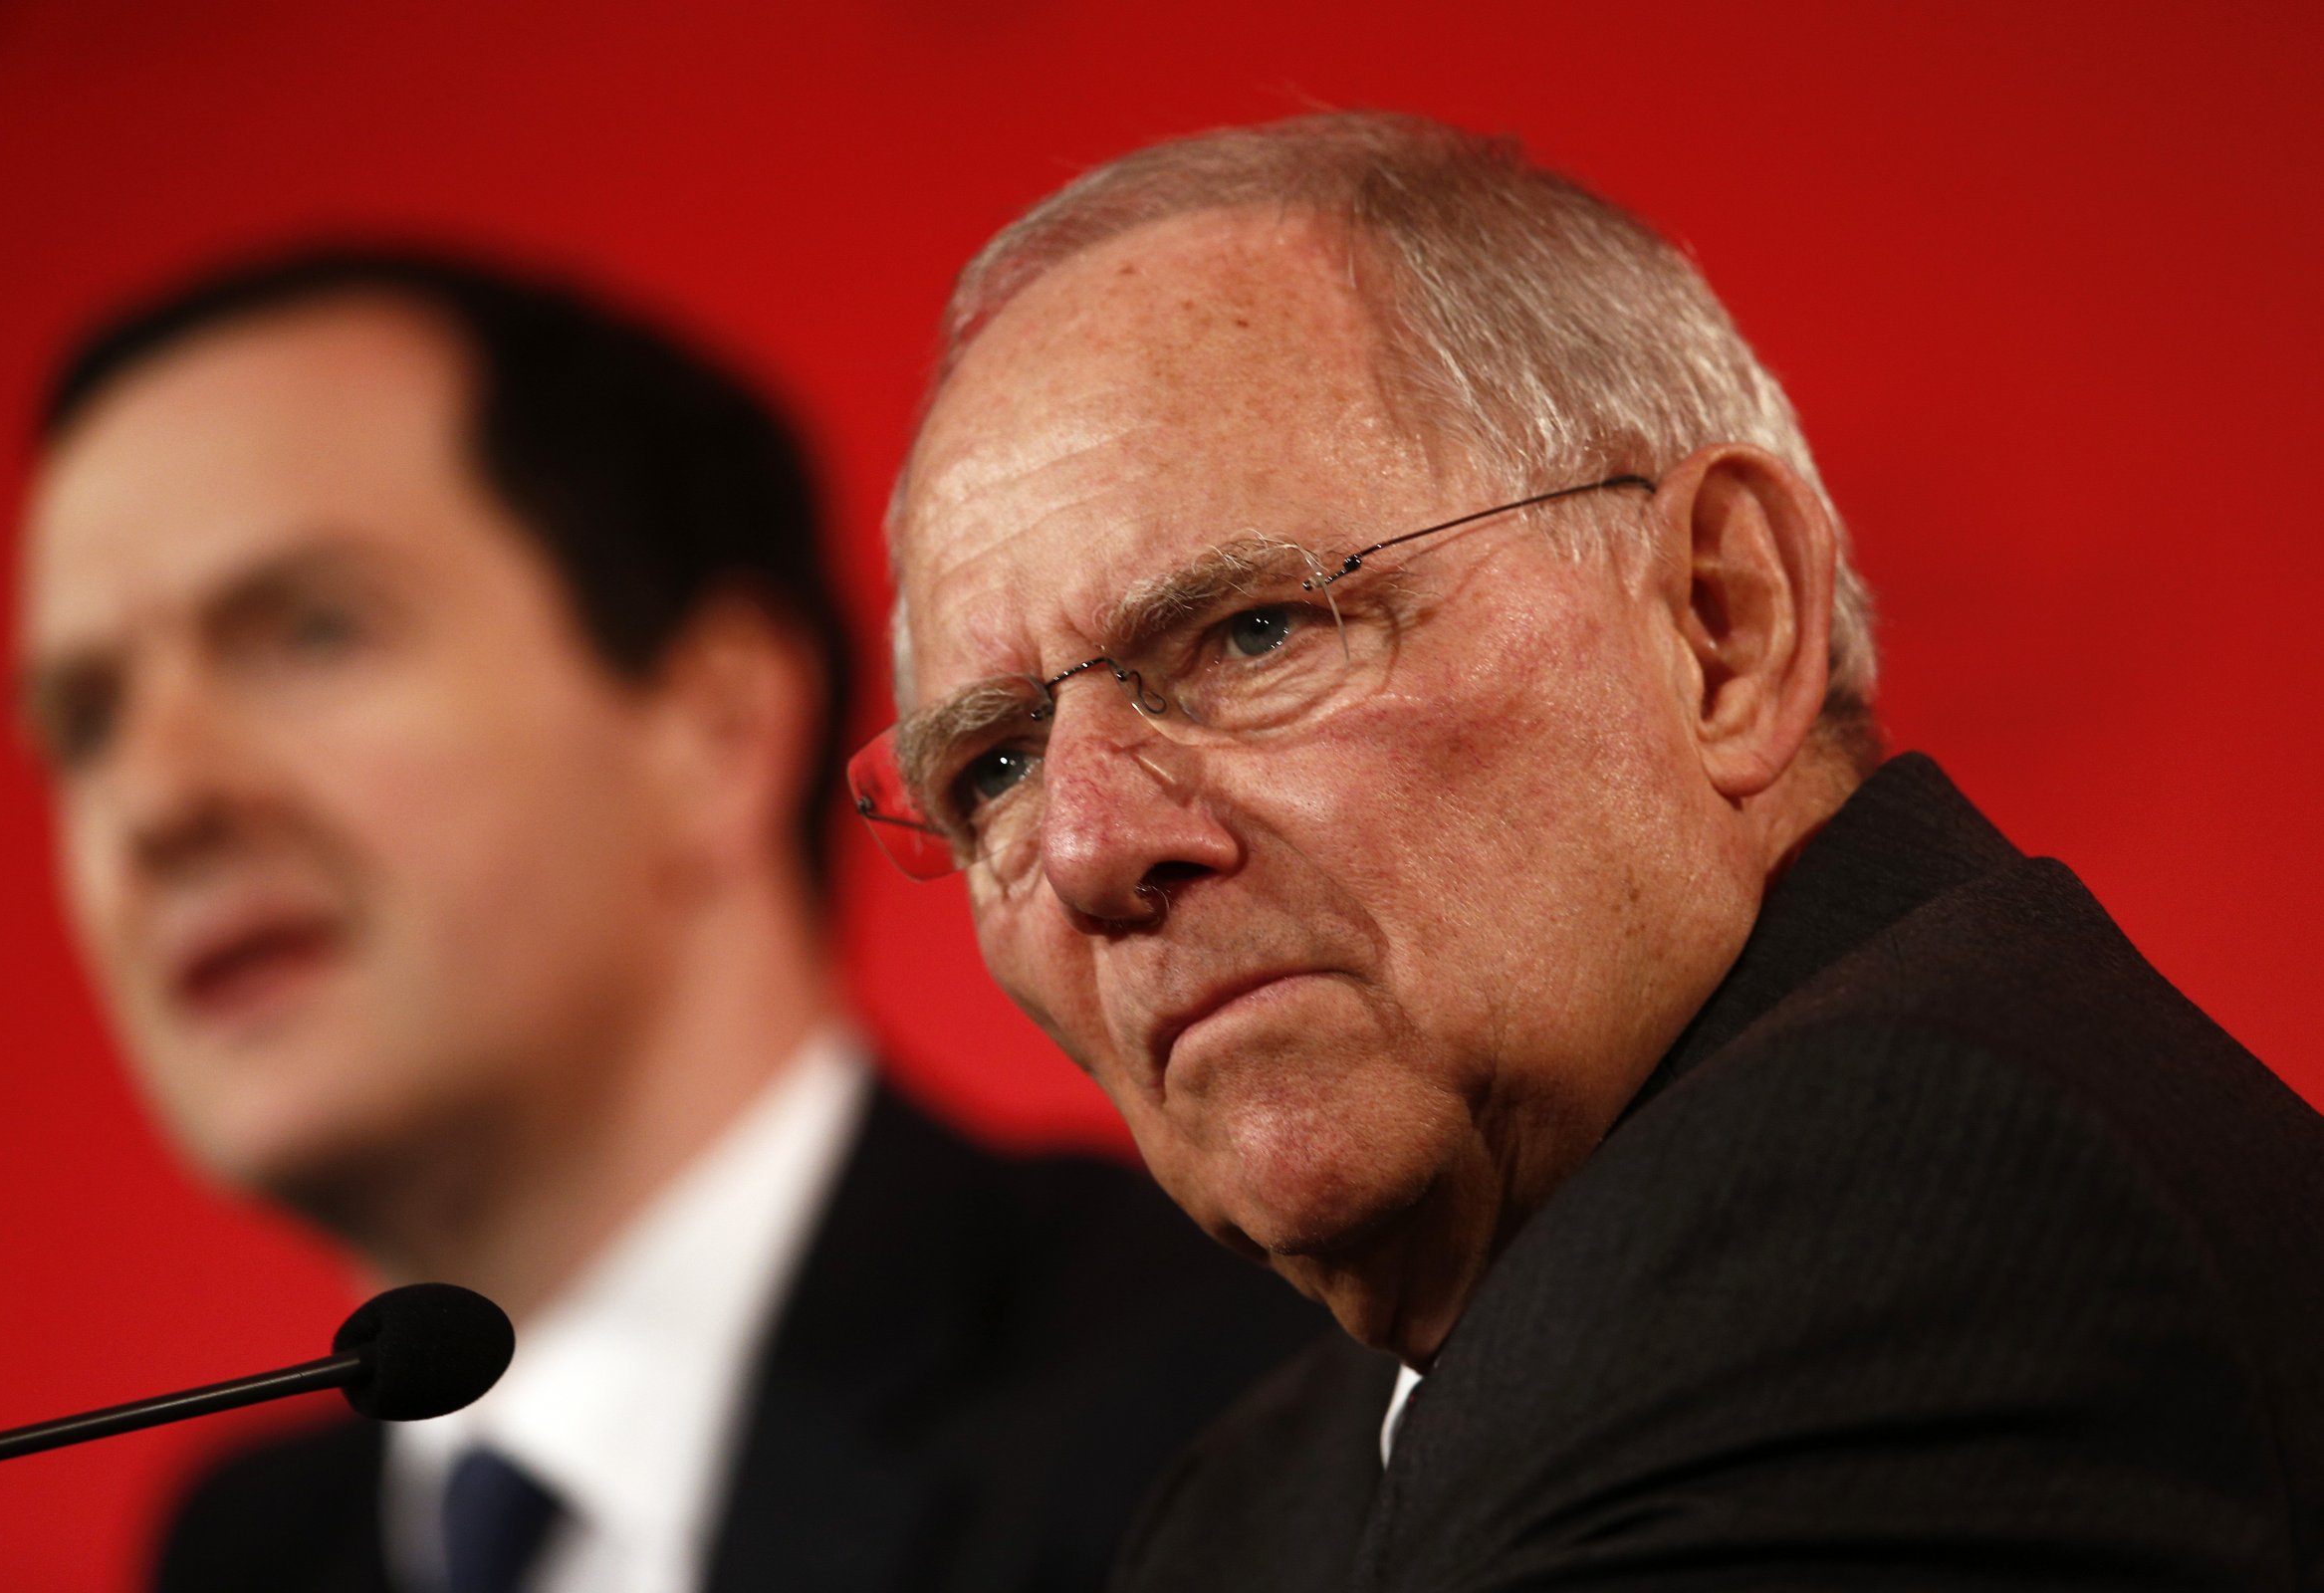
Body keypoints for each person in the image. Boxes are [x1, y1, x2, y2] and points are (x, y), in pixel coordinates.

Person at [864, 112, 2324, 1590]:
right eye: (993, 766)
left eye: (1256, 632)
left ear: (1720, 619)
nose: (1091, 846)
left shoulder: (1916, 1210)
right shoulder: (1266, 1485)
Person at [14, 246, 1322, 1593]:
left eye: (311, 633)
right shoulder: (246, 1553)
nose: (156, 801)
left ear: (718, 724)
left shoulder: (1229, 1401)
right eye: (85, 720)